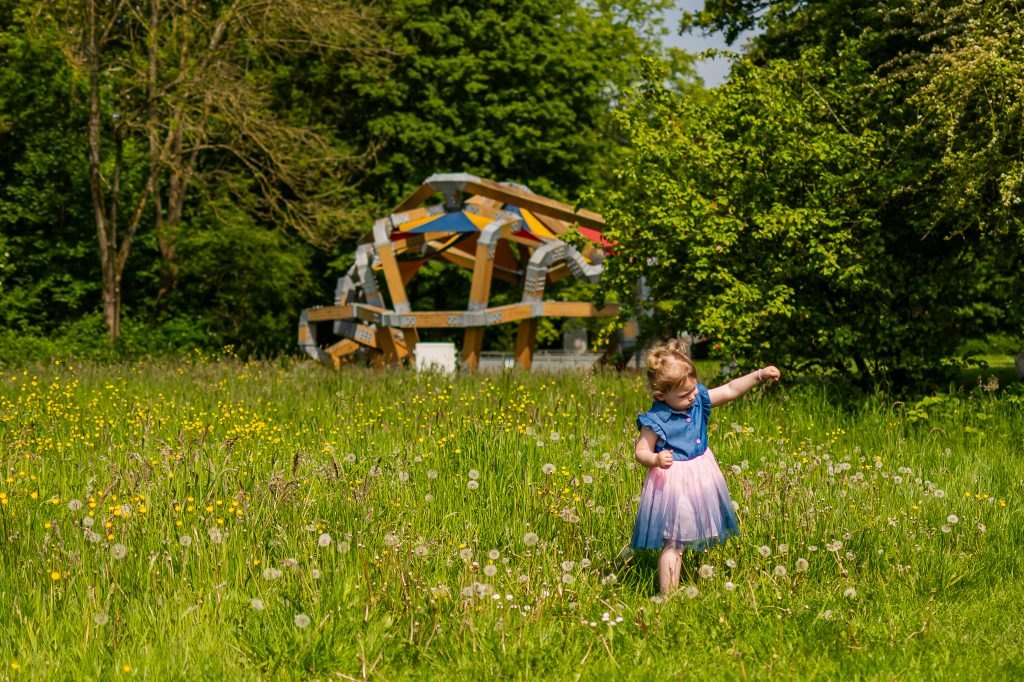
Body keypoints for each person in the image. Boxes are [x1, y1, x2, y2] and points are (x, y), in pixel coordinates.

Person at [631, 338, 781, 592]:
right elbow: (641, 450)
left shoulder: (697, 398)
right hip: (673, 482)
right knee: (674, 540)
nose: (692, 397)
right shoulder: (656, 419)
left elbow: (730, 389)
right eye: (684, 395)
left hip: (701, 476)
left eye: (693, 390)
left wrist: (759, 375)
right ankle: (668, 596)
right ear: (661, 395)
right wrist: (655, 459)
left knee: (689, 530)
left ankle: (682, 579)